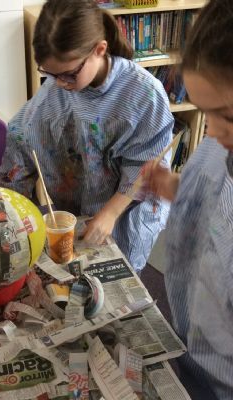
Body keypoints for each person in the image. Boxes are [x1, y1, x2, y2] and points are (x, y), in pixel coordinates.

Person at [0, 0, 173, 272]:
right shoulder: (57, 88)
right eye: (49, 74)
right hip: (76, 200)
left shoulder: (144, 93)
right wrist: (14, 208)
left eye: (68, 74)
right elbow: (22, 136)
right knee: (74, 268)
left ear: (99, 50)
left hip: (126, 209)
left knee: (119, 267)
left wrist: (111, 212)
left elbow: (148, 165)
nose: (60, 84)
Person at [142, 0, 233, 397]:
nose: (211, 131)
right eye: (204, 112)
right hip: (192, 343)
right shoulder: (218, 143)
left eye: (226, 115)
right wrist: (172, 186)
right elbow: (212, 199)